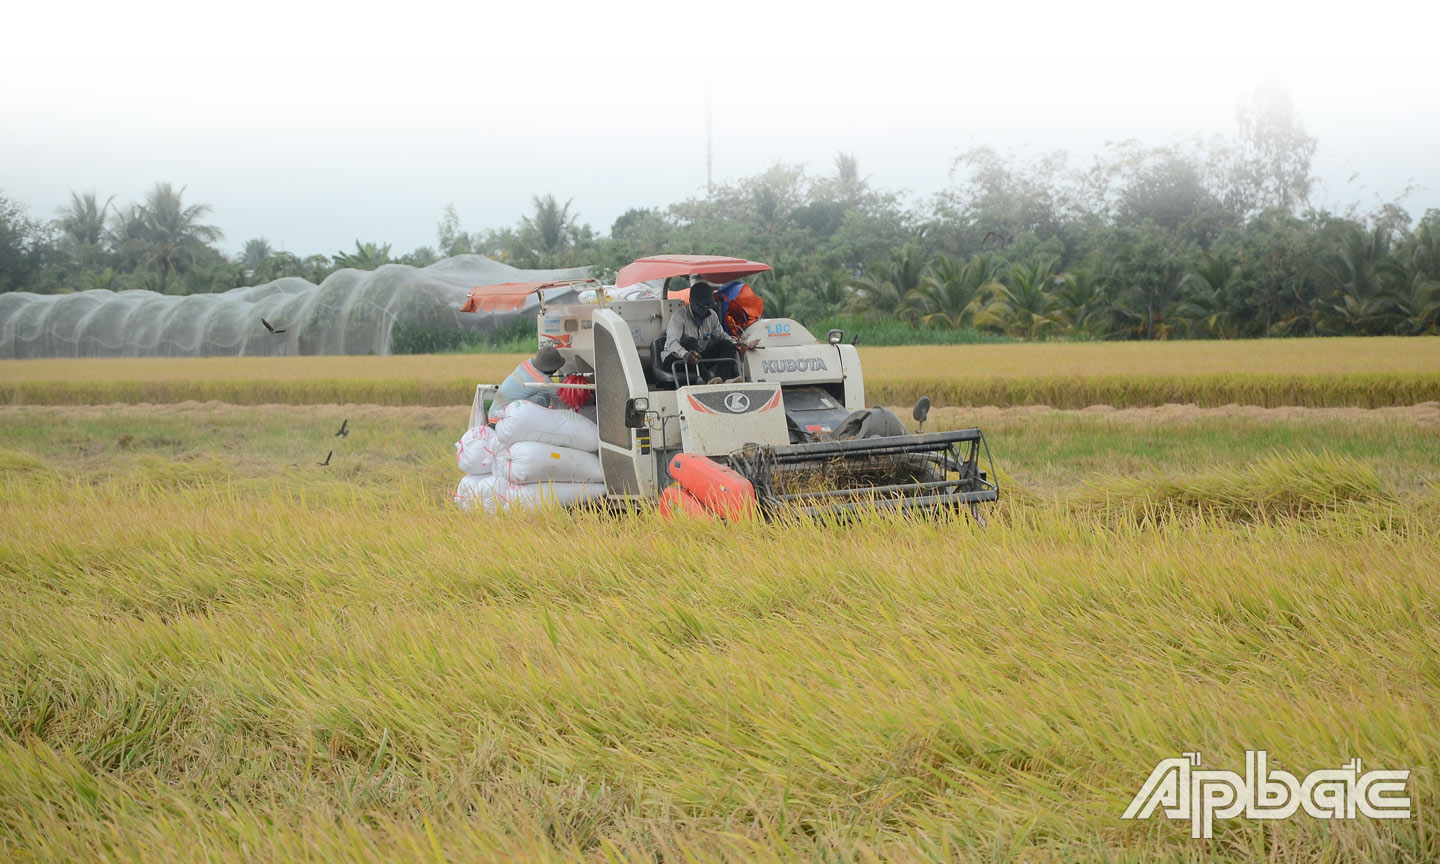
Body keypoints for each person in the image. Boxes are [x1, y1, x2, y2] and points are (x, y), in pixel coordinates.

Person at [662, 281, 748, 384]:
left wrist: (736, 344)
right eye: (701, 306)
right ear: (691, 301)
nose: (704, 309)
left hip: (698, 359)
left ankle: (722, 379)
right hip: (676, 359)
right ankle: (706, 380)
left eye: (708, 306)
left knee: (726, 344)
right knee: (690, 341)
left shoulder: (712, 316)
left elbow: (721, 335)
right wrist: (685, 354)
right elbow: (672, 343)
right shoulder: (678, 317)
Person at [496, 345, 565, 409]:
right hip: (503, 416)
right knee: (543, 398)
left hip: (496, 411)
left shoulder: (526, 364)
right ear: (552, 368)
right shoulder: (542, 381)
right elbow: (563, 395)